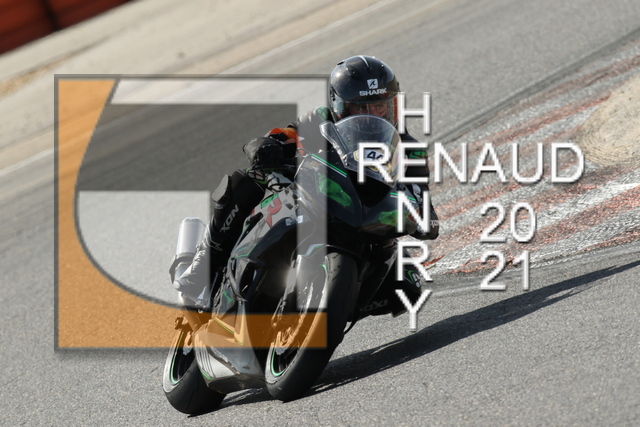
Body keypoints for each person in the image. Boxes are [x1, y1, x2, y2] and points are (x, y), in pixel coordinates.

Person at [173, 55, 439, 317]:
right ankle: (202, 267)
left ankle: (336, 302)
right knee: (245, 181)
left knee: (410, 285)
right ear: (339, 106)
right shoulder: (319, 121)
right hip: (317, 200)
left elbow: (425, 210)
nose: (372, 114)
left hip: (367, 225)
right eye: (361, 107)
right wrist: (266, 146)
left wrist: (418, 215)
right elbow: (279, 137)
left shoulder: (410, 150)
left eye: (380, 106)